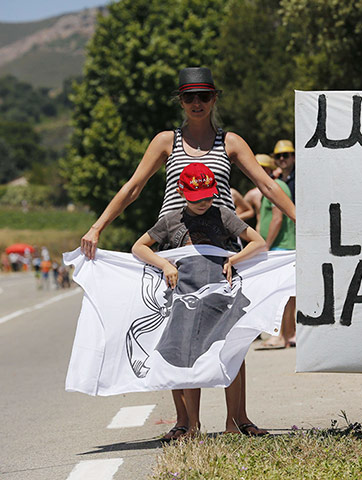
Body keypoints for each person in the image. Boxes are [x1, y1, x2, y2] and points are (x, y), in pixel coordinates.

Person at [80, 66, 295, 440]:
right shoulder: (166, 141)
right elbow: (134, 187)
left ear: (214, 99)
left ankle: (237, 420)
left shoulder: (231, 142)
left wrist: (303, 221)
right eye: (189, 97)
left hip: (222, 252)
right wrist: (98, 227)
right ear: (180, 101)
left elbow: (266, 184)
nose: (197, 103)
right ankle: (187, 424)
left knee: (233, 336)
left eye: (204, 96)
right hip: (174, 255)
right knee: (180, 337)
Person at [133, 163, 267, 438]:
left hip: (222, 298)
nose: (203, 203)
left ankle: (234, 422)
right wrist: (164, 264)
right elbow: (139, 246)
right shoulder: (171, 221)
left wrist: (234, 259)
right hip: (185, 299)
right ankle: (191, 425)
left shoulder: (223, 215)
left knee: (232, 353)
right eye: (196, 199)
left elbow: (258, 242)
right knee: (186, 356)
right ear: (182, 193)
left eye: (207, 196)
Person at [257, 145, 296, 350]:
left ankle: (279, 335)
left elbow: (277, 218)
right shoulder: (277, 184)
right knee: (287, 295)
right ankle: (288, 334)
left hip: (280, 246)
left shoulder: (275, 185)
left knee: (279, 294)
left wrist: (265, 245)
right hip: (283, 246)